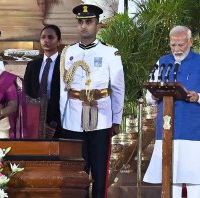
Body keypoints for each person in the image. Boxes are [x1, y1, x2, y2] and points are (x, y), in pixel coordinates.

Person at [143, 26, 200, 198]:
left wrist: (199, 97)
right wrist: (155, 96)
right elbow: (149, 96)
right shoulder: (162, 62)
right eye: (173, 45)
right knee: (171, 176)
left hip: (193, 131)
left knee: (194, 177)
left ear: (190, 42)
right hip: (167, 131)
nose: (176, 49)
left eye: (181, 45)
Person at [59, 4, 125, 198]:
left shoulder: (110, 53)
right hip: (73, 118)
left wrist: (116, 119)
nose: (84, 26)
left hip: (100, 117)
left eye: (89, 22)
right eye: (81, 22)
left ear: (97, 25)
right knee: (76, 170)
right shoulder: (68, 52)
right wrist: (63, 119)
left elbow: (118, 89)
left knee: (99, 170)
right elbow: (64, 89)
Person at [24, 25, 62, 139]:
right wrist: (36, 122)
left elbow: (66, 96)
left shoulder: (65, 65)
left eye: (50, 37)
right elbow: (27, 94)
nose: (46, 40)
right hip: (35, 118)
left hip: (57, 122)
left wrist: (54, 124)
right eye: (43, 37)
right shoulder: (32, 65)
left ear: (58, 41)